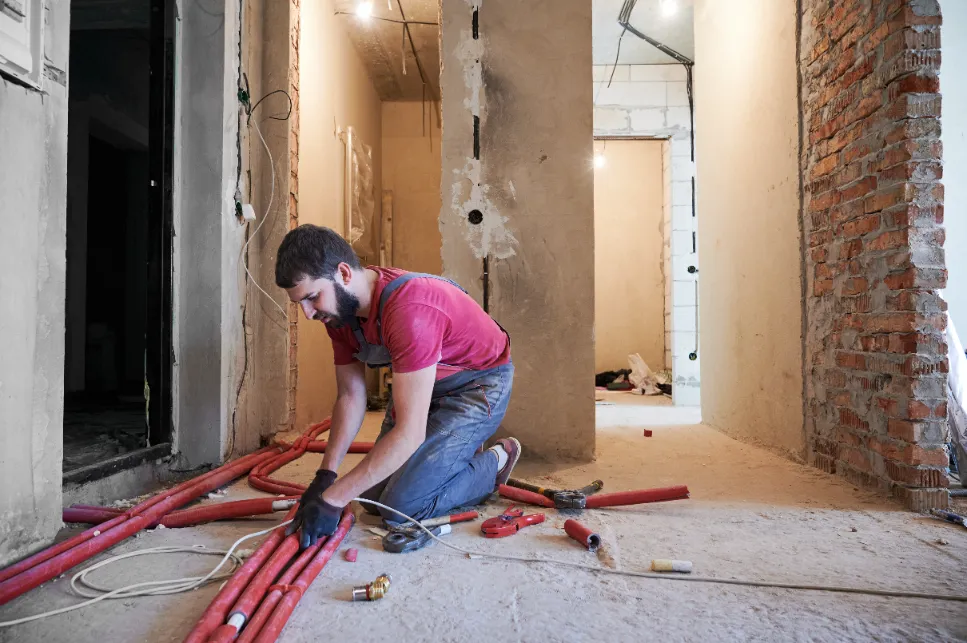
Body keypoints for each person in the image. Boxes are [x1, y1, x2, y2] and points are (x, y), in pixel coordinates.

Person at [275, 224, 520, 549]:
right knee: (374, 500)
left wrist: (332, 502)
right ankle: (451, 454)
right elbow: (350, 395)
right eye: (299, 304)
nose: (307, 314)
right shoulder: (338, 315)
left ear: (344, 274)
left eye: (311, 298)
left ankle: (497, 458)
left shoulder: (409, 308)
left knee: (403, 509)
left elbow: (409, 432)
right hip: (427, 386)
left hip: (478, 386)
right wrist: (326, 478)